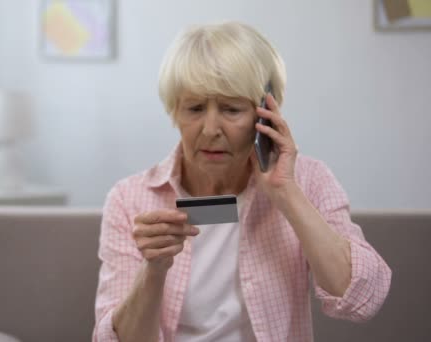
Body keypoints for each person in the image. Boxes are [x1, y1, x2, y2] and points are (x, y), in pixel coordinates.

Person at [92, 22, 391, 342]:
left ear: (265, 114)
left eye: (231, 109)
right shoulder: (130, 198)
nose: (210, 129)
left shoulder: (308, 180)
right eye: (194, 108)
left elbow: (362, 300)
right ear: (174, 112)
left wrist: (286, 193)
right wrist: (153, 270)